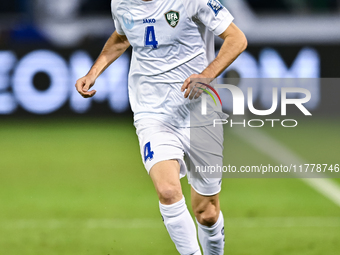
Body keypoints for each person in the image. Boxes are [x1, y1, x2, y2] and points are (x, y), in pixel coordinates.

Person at [75, 0, 247, 254]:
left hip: (199, 112)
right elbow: (122, 37)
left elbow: (237, 39)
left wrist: (208, 74)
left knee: (207, 213)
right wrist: (93, 72)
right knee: (167, 191)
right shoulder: (120, 3)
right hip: (152, 112)